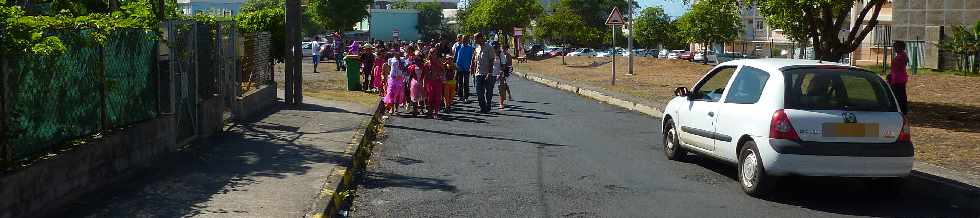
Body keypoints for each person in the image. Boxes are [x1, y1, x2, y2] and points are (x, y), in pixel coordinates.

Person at [471, 33, 495, 113]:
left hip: (486, 73)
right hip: (478, 73)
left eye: (476, 39)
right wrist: (473, 70)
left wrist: (490, 73)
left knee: (488, 91)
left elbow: (491, 60)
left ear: (481, 38)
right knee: (479, 92)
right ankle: (483, 107)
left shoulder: (489, 47)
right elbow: (475, 60)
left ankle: (488, 105)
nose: (475, 40)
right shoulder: (477, 48)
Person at [888, 40, 910, 114]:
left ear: (900, 47)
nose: (894, 48)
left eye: (895, 46)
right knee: (900, 95)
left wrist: (892, 78)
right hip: (899, 78)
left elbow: (897, 69)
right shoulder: (901, 55)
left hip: (898, 79)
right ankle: (902, 109)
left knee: (899, 95)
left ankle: (901, 110)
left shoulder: (901, 57)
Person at [424, 48, 446, 118]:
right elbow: (425, 74)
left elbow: (443, 70)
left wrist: (440, 75)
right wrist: (424, 83)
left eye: (435, 53)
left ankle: (435, 112)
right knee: (430, 97)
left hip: (437, 82)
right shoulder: (427, 63)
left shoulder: (439, 62)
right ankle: (430, 111)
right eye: (432, 53)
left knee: (437, 97)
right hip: (430, 82)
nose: (433, 54)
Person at [454, 35, 475, 102]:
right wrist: (455, 66)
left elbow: (472, 58)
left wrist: (471, 67)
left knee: (466, 83)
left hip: (467, 67)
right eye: (464, 39)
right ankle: (460, 96)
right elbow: (455, 57)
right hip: (459, 67)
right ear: (462, 40)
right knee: (460, 82)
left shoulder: (470, 48)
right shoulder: (458, 47)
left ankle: (466, 97)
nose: (465, 40)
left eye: (466, 39)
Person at [497, 41, 514, 109]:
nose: (503, 50)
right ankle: (509, 95)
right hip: (502, 71)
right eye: (502, 48)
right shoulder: (501, 54)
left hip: (506, 71)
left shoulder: (508, 55)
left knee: (504, 84)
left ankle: (508, 96)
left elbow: (509, 65)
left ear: (507, 49)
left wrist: (505, 71)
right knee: (504, 84)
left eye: (504, 49)